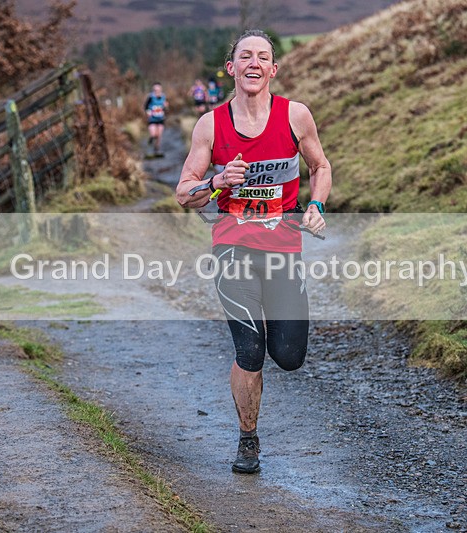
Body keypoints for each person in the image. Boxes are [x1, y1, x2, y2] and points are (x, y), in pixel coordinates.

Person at [175, 29, 332, 474]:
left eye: (263, 57)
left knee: (289, 356)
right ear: (232, 68)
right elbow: (184, 193)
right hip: (233, 247)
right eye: (245, 56)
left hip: (283, 248)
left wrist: (316, 205)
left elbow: (321, 166)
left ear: (273, 70)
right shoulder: (211, 124)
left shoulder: (295, 116)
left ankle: (274, 335)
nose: (254, 63)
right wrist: (215, 183)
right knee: (250, 349)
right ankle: (248, 440)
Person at [144, 83, 168, 157]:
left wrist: (166, 107)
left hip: (160, 118)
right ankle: (150, 142)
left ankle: (156, 149)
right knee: (153, 134)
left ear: (161, 90)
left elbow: (166, 108)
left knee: (159, 135)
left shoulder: (163, 97)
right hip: (152, 119)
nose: (157, 91)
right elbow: (145, 106)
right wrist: (148, 111)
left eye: (158, 90)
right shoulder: (150, 97)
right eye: (155, 90)